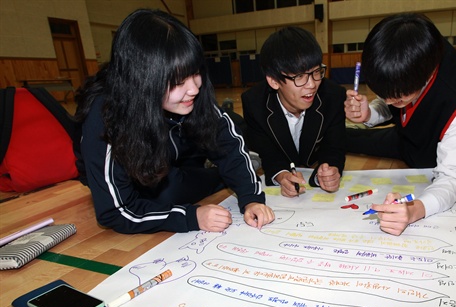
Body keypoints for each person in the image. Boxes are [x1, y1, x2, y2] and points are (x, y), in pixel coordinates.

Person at [74, 9, 274, 234]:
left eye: (196, 72)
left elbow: (228, 145)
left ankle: (223, 172)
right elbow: (115, 211)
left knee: (229, 138)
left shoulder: (191, 93)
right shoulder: (106, 117)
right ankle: (218, 173)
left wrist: (251, 198)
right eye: (178, 82)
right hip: (136, 175)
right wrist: (191, 217)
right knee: (168, 194)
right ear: (143, 81)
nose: (194, 88)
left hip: (176, 154)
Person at [344, 13, 456, 236]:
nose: (391, 103)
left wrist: (415, 210)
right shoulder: (404, 61)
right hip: (405, 138)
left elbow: (453, 177)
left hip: (432, 152)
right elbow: (389, 99)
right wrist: (368, 114)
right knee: (349, 138)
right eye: (383, 94)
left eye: (399, 99)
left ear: (426, 75)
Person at [242, 26, 346, 197]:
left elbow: (334, 147)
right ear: (274, 81)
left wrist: (330, 169)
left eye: (316, 72)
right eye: (299, 77)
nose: (312, 84)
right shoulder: (254, 103)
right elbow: (268, 153)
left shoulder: (333, 96)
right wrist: (281, 176)